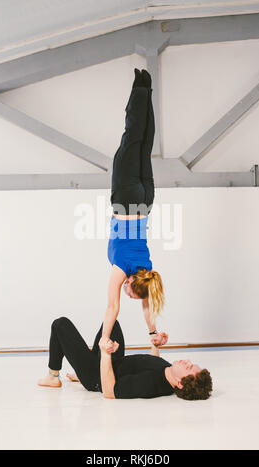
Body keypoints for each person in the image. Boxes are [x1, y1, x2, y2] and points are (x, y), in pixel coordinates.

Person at [104, 68, 165, 350]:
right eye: (130, 292)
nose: (127, 294)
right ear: (130, 282)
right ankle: (139, 89)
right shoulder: (122, 268)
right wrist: (105, 339)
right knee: (131, 140)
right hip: (126, 197)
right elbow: (113, 306)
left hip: (145, 199)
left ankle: (146, 88)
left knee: (144, 144)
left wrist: (154, 333)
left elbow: (147, 305)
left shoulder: (148, 270)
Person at [38, 317, 212, 400]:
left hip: (96, 377)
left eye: (188, 368)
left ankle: (53, 376)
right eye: (191, 364)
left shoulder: (149, 385)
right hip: (113, 362)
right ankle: (81, 369)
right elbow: (151, 365)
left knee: (60, 324)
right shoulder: (168, 373)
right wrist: (155, 346)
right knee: (112, 322)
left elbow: (109, 392)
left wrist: (105, 354)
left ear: (180, 383)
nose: (188, 362)